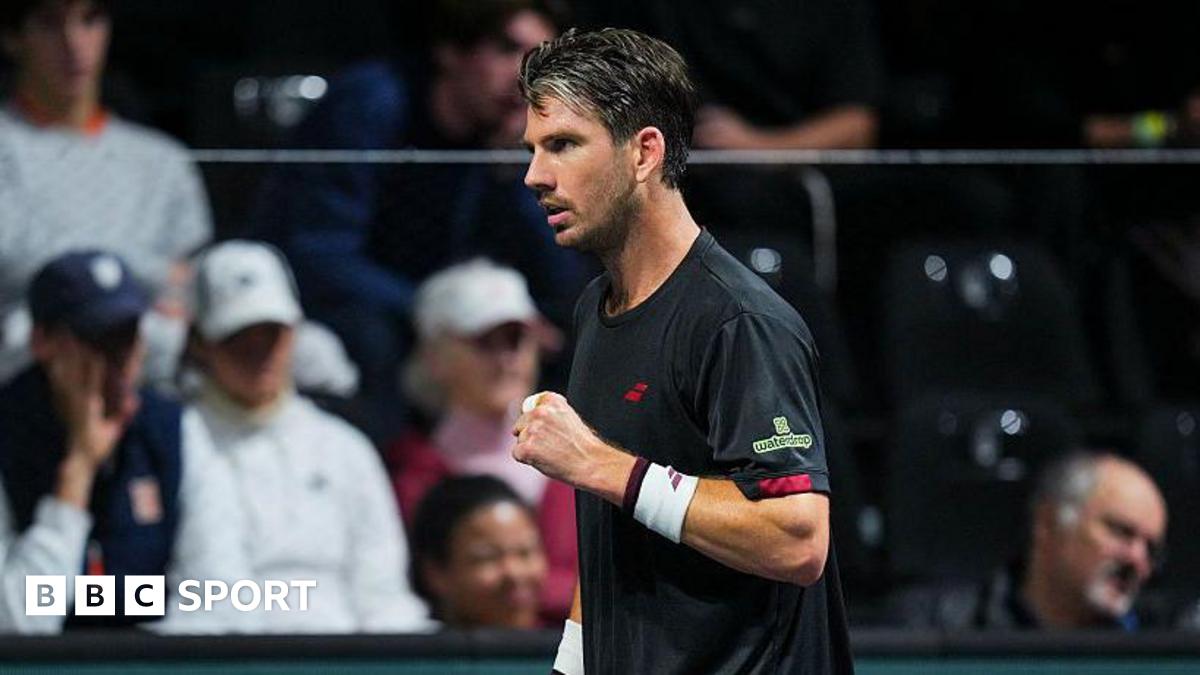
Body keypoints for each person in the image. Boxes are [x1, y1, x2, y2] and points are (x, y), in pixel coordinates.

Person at [513, 28, 852, 674]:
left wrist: (600, 465)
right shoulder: (595, 307)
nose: (535, 175)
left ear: (644, 152)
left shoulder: (739, 321)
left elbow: (797, 534)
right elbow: (615, 530)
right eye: (533, 148)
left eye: (562, 145)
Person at [251, 0, 589, 441]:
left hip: (443, 307)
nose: (523, 76)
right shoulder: (374, 104)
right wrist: (437, 312)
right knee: (376, 342)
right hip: (342, 305)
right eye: (508, 50)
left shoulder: (503, 133)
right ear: (451, 51)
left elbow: (562, 280)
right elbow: (318, 253)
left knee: (564, 342)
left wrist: (518, 170)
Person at [185, 240, 430, 633]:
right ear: (200, 342)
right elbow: (205, 589)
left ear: (296, 331)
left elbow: (382, 593)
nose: (258, 351)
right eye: (237, 336)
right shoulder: (179, 442)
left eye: (272, 332)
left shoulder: (345, 448)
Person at [0, 250, 248, 633]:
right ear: (43, 343)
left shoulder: (173, 431)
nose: (117, 361)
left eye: (126, 338)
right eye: (96, 340)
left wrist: (128, 660)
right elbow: (15, 623)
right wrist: (77, 474)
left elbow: (227, 604)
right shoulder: (9, 431)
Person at [0, 0, 213, 385]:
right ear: (13, 38)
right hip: (26, 382)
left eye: (90, 19)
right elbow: (17, 261)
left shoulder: (163, 161)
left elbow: (190, 289)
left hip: (155, 387)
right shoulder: (7, 149)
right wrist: (152, 270)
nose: (73, 43)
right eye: (50, 23)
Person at [386, 258, 575, 622]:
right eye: (485, 341)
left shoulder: (579, 455)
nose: (507, 359)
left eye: (517, 339)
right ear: (434, 357)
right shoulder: (409, 473)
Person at [893, 451, 1169, 630]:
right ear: (1048, 524)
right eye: (1121, 532)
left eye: (1150, 549)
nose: (1138, 562)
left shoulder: (1161, 640)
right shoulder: (936, 624)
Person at [409, 475, 549, 629]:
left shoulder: (568, 648)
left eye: (525, 553)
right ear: (435, 573)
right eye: (488, 558)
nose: (514, 573)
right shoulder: (406, 650)